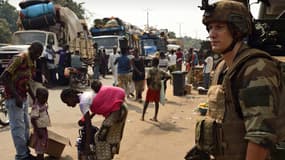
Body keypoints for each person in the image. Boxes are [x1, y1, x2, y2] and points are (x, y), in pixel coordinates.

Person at [186, 1, 285, 160]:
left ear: (237, 30)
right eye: (210, 28)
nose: (212, 34)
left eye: (219, 27)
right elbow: (220, 119)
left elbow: (260, 137)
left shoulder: (256, 68)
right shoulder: (222, 67)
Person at [0, 42, 43, 160]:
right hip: (14, 98)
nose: (38, 56)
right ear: (32, 50)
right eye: (37, 53)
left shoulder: (32, 62)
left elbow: (27, 82)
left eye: (39, 54)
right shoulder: (20, 58)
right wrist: (16, 96)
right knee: (17, 128)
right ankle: (21, 156)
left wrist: (34, 99)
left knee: (25, 127)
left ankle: (25, 152)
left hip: (22, 98)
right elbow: (4, 77)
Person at [141, 57, 170, 122]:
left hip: (151, 87)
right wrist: (163, 81)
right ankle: (155, 117)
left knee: (147, 101)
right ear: (158, 63)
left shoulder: (150, 70)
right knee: (156, 102)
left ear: (153, 62)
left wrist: (148, 86)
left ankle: (143, 116)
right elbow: (168, 76)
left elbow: (148, 79)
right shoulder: (160, 70)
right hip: (158, 88)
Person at [30, 88, 50, 160]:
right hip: (39, 130)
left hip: (43, 128)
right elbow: (32, 119)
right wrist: (37, 130)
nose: (45, 100)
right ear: (37, 97)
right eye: (43, 98)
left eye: (46, 98)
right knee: (40, 146)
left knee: (43, 145)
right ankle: (40, 158)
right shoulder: (36, 107)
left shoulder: (43, 104)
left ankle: (40, 157)